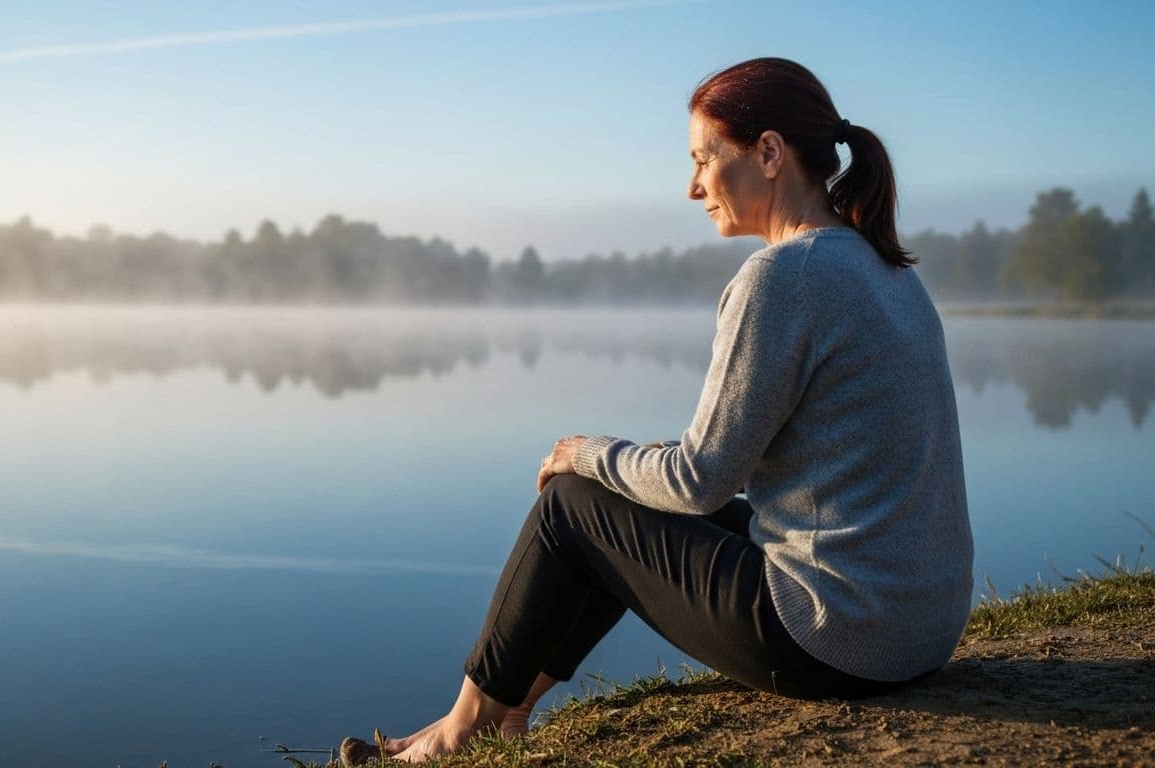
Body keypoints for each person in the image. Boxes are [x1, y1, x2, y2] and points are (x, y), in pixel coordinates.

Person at [350, 57, 973, 763]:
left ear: (769, 154)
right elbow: (715, 473)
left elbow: (700, 480)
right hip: (918, 632)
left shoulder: (784, 277)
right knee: (620, 492)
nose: (692, 186)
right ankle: (512, 707)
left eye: (704, 159)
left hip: (836, 643)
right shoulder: (883, 268)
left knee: (573, 502)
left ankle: (463, 728)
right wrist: (620, 465)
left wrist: (583, 453)